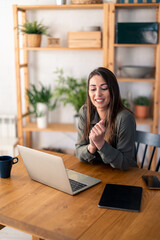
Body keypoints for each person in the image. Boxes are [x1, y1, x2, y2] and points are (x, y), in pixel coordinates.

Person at [75, 67, 138, 170]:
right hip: (98, 171)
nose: (98, 94)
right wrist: (91, 147)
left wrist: (101, 144)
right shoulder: (85, 112)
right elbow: (78, 151)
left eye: (104, 88)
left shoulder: (125, 118)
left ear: (113, 90)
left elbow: (125, 163)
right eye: (93, 89)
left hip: (124, 177)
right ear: (88, 91)